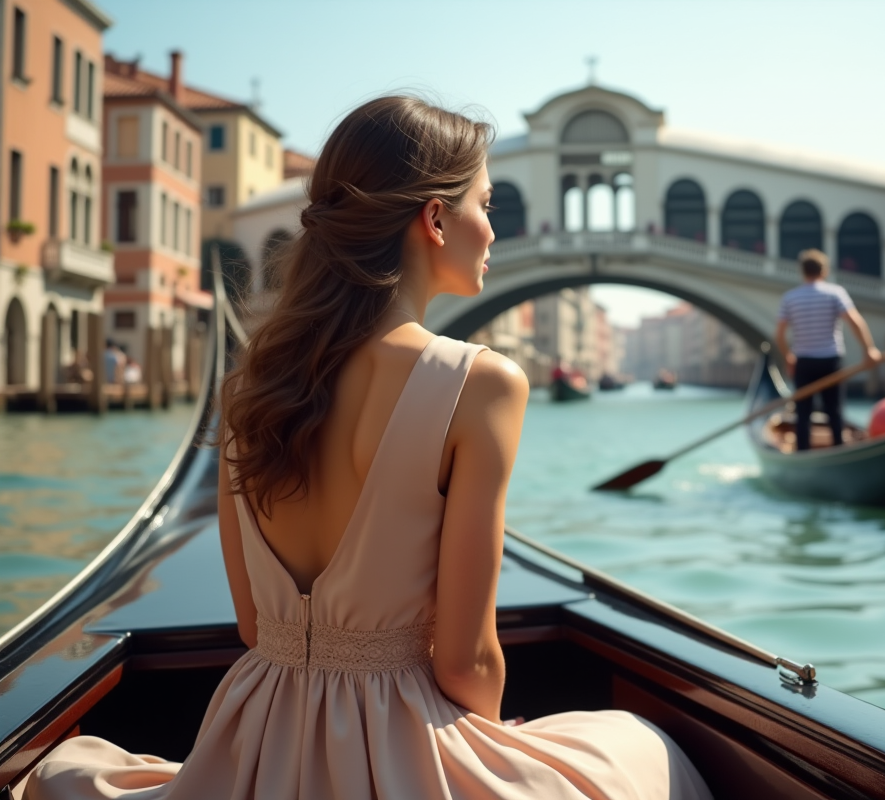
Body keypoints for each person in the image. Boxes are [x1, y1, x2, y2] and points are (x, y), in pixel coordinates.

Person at [18, 96, 710, 800]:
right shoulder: (483, 383)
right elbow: (466, 662)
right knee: (647, 750)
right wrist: (498, 747)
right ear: (435, 220)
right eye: (487, 204)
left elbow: (256, 627)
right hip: (402, 744)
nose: (494, 230)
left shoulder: (245, 391)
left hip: (255, 740)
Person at [774, 249, 880, 450]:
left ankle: (802, 452)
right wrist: (869, 349)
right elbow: (855, 322)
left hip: (803, 362)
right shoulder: (835, 293)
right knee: (834, 411)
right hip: (830, 360)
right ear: (824, 271)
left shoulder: (790, 298)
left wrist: (789, 357)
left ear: (802, 272)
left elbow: (779, 335)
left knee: (802, 413)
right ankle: (838, 448)